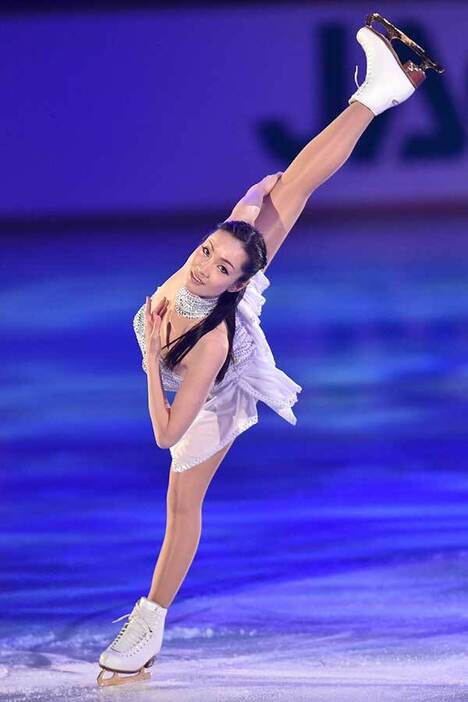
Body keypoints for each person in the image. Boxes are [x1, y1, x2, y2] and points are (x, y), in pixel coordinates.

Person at [97, 13, 444, 686]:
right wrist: (250, 206)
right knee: (288, 188)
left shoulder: (213, 345)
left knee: (181, 507)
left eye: (219, 265)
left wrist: (148, 367)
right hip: (199, 331)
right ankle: (382, 92)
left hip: (211, 391)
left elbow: (168, 435)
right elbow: (231, 237)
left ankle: (149, 623)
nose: (201, 266)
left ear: (238, 283)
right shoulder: (201, 272)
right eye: (206, 253)